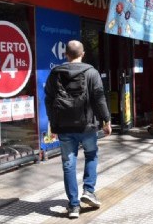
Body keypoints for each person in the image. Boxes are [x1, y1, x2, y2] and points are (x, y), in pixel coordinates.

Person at [44, 40, 111, 219]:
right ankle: (88, 191)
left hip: (64, 127)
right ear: (83, 54)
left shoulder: (55, 73)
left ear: (66, 55)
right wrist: (106, 120)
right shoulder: (91, 72)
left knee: (68, 164)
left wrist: (53, 121)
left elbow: (48, 99)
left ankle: (73, 206)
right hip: (87, 125)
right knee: (91, 155)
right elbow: (99, 97)